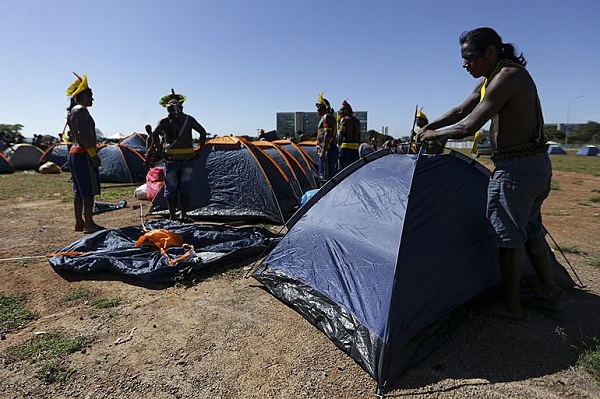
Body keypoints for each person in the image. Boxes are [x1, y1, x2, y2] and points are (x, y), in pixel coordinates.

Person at [417, 27, 560, 321]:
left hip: (516, 170)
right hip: (529, 167)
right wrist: (427, 127)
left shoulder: (508, 77)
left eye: (469, 58)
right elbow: (460, 110)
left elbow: (469, 124)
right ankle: (550, 297)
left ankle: (511, 308)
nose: (465, 65)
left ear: (491, 52)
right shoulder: (490, 79)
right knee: (531, 232)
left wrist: (435, 134)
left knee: (508, 237)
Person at [147, 89, 207, 222]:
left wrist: (160, 150)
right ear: (181, 107)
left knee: (172, 188)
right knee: (184, 187)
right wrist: (200, 149)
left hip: (171, 159)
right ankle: (183, 214)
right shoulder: (189, 119)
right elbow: (202, 133)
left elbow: (154, 135)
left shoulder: (164, 121)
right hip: (187, 158)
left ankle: (173, 216)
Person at [65, 73, 104, 233]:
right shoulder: (80, 110)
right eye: (90, 96)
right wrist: (93, 154)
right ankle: (88, 223)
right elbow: (82, 134)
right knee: (87, 191)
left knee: (78, 190)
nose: (92, 99)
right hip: (83, 154)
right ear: (81, 96)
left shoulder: (73, 111)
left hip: (76, 153)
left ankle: (79, 222)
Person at [315, 93, 338, 182]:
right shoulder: (328, 117)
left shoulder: (327, 117)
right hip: (328, 149)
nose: (317, 110)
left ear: (324, 107)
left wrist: (323, 151)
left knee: (326, 177)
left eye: (319, 107)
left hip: (328, 150)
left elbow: (327, 134)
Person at [337, 100, 362, 170]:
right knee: (353, 170)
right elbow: (359, 135)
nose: (340, 112)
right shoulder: (357, 121)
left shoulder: (344, 120)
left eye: (341, 110)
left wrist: (338, 146)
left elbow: (340, 135)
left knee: (343, 170)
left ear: (346, 110)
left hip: (345, 148)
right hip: (355, 148)